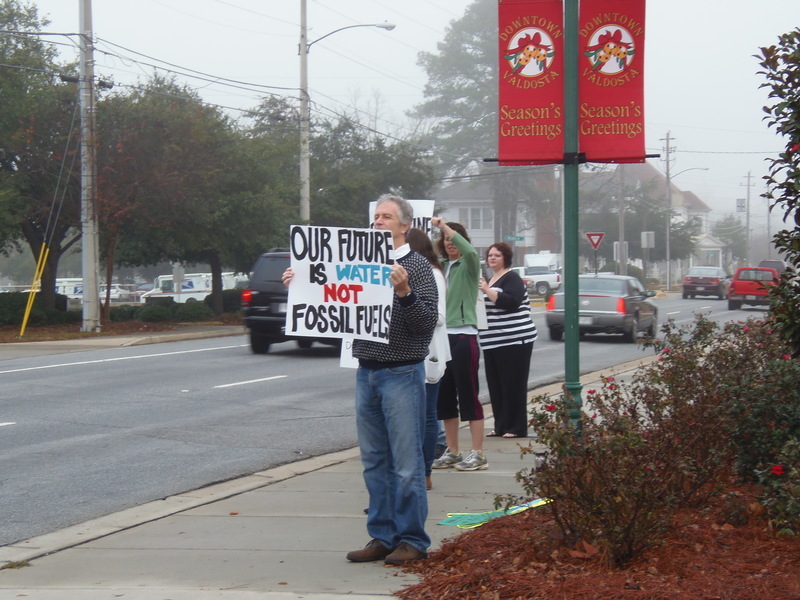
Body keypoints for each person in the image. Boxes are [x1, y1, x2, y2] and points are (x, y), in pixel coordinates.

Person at [429, 217, 487, 472]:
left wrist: (445, 227)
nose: (449, 242)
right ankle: (453, 451)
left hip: (463, 335)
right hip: (441, 337)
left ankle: (478, 453)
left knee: (468, 394)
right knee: (444, 398)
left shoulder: (469, 264)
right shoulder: (438, 266)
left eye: (454, 238)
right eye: (446, 239)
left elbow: (471, 251)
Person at [406, 228, 451, 491]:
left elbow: (439, 316)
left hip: (428, 354)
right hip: (407, 355)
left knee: (426, 415)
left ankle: (424, 472)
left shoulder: (432, 274)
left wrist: (409, 300)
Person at [478, 242, 538, 438]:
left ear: (506, 259)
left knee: (513, 384)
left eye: (497, 255)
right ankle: (501, 425)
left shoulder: (512, 278)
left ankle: (516, 427)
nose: (492, 258)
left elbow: (512, 303)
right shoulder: (491, 280)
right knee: (496, 385)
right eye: (490, 255)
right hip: (492, 341)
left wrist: (487, 290)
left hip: (515, 340)